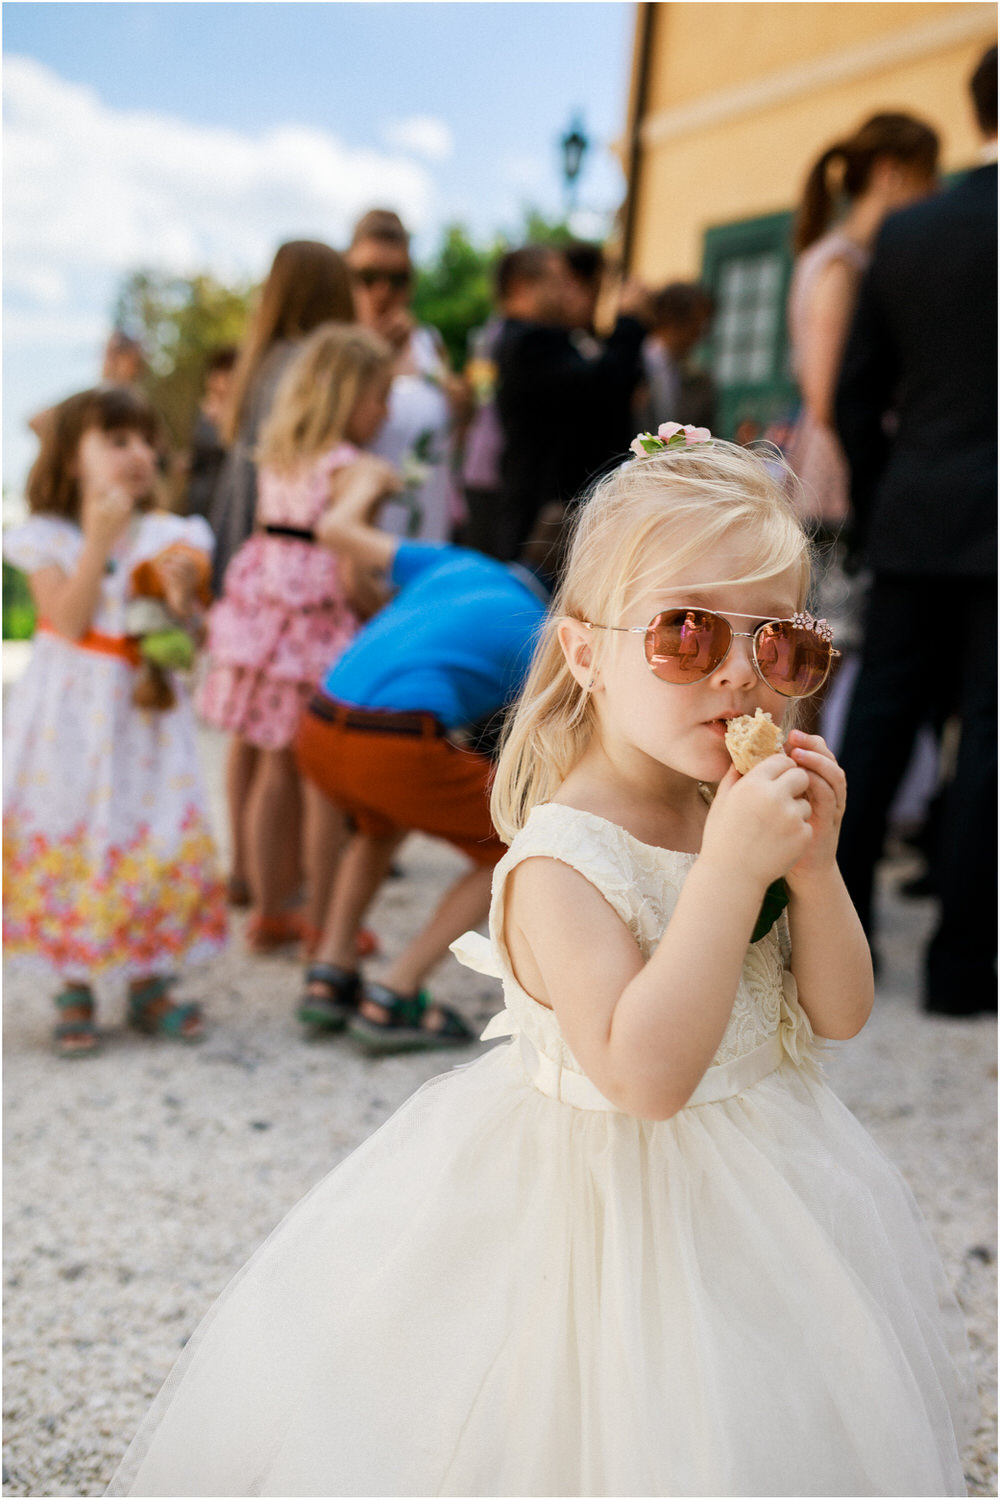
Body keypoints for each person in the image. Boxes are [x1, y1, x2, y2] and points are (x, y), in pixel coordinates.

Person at [108, 429, 971, 1498]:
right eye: (688, 635)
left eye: (783, 647)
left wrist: (816, 867)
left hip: (761, 1202)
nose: (743, 678)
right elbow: (645, 1078)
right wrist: (729, 876)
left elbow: (837, 1012)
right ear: (584, 655)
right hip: (600, 1232)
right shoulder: (564, 856)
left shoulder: (729, 813)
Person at [834, 47, 998, 1016]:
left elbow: (856, 398)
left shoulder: (908, 233)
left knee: (878, 724)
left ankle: (837, 939)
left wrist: (885, 494)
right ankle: (960, 970)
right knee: (989, 741)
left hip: (915, 510)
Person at [291, 458, 549, 1049]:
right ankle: (396, 993)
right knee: (519, 844)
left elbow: (340, 538)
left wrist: (365, 487)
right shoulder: (545, 633)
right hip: (391, 744)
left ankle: (329, 973)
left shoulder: (461, 562)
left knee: (378, 830)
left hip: (318, 724)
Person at [2, 386, 226, 1056]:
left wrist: (185, 600)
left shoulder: (174, 535)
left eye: (143, 441)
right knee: (73, 822)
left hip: (143, 716)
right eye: (114, 441)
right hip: (69, 720)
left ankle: (149, 978)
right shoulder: (47, 537)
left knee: (148, 829)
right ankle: (74, 978)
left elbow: (192, 633)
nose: (137, 455)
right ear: (71, 460)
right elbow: (67, 622)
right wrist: (98, 541)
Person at [197, 324, 396, 953]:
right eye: (378, 399)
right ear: (345, 397)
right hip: (316, 633)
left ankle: (267, 907)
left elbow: (261, 540)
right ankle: (319, 920)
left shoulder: (279, 457)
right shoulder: (348, 469)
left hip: (265, 629)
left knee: (271, 771)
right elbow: (348, 572)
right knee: (321, 785)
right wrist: (384, 613)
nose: (384, 413)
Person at [206, 240, 354, 908]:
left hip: (248, 553)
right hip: (292, 572)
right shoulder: (308, 366)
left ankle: (243, 867)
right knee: (281, 749)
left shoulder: (255, 364)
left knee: (248, 730)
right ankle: (281, 882)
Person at [785, 112, 939, 534]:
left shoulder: (840, 257)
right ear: (889, 172)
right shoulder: (843, 266)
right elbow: (827, 396)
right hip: (840, 478)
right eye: (929, 176)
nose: (936, 192)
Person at [495, 243, 647, 572]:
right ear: (524, 286)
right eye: (559, 281)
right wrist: (628, 321)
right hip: (541, 521)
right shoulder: (527, 342)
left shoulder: (544, 339)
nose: (569, 291)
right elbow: (603, 382)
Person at [347, 209, 459, 542]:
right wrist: (373, 358)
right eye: (368, 276)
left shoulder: (430, 343)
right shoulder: (337, 349)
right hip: (365, 536)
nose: (383, 291)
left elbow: (452, 439)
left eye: (397, 278)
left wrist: (462, 406)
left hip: (427, 523)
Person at [634, 280, 716, 435]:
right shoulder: (628, 363)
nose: (701, 333)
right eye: (698, 323)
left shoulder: (701, 381)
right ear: (672, 317)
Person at [183, 345, 237, 520]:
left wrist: (222, 421)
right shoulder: (203, 409)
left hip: (225, 496)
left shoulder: (240, 413)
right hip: (198, 496)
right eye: (216, 371)